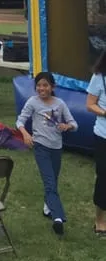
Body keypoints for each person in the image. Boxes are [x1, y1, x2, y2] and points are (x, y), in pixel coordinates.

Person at [16, 70, 76, 236]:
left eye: (45, 85)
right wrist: (26, 134)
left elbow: (74, 123)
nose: (41, 88)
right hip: (40, 146)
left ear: (52, 86)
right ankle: (58, 218)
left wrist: (67, 126)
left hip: (56, 147)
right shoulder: (33, 102)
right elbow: (20, 120)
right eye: (38, 85)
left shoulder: (60, 103)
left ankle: (47, 208)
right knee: (49, 182)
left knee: (53, 181)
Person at [85, 49, 106, 236]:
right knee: (104, 178)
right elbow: (90, 104)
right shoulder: (100, 77)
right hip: (103, 136)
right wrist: (105, 112)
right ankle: (100, 221)